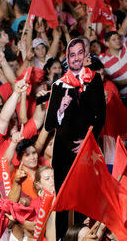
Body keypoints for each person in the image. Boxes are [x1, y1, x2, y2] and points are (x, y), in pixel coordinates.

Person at [45, 38, 106, 238]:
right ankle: (62, 237)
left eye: (80, 53)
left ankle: (82, 236)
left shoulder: (96, 80)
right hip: (63, 153)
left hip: (86, 151)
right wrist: (61, 108)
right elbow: (49, 124)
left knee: (84, 198)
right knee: (62, 200)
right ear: (67, 59)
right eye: (72, 55)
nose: (76, 58)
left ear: (85, 56)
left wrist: (88, 141)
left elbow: (101, 117)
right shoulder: (58, 85)